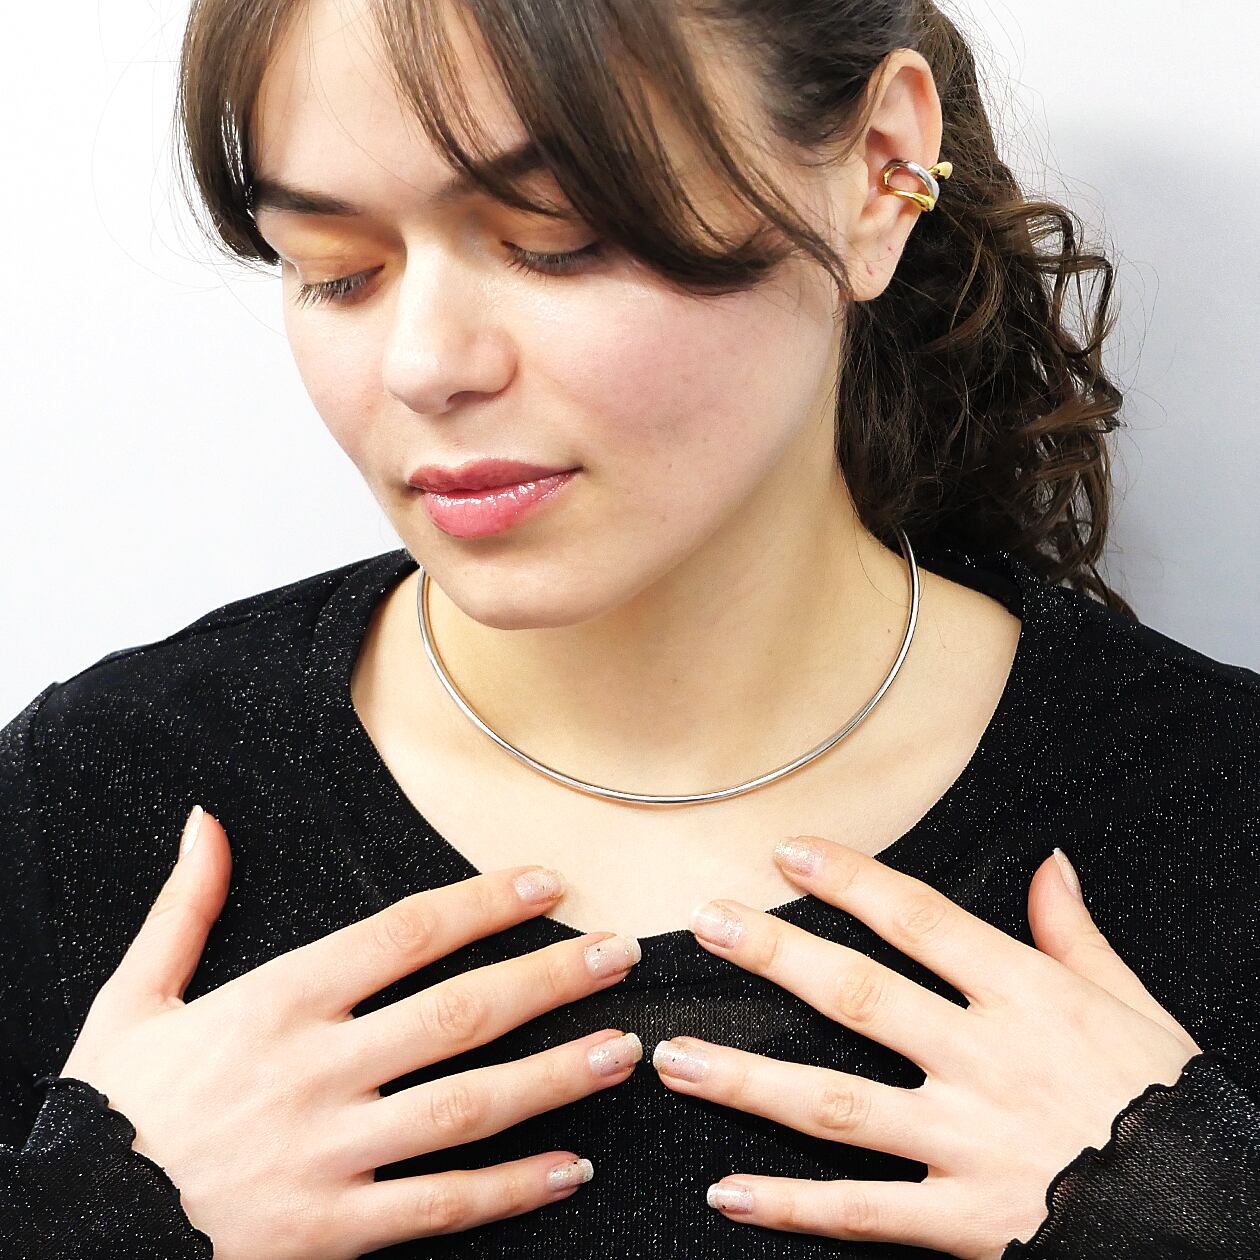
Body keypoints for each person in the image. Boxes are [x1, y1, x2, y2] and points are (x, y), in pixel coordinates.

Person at [2, 0, 1257, 1256]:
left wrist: (1181, 1217)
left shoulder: (1215, 803)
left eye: (555, 240)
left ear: (880, 172)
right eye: (334, 266)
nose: (424, 366)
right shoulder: (98, 795)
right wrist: (99, 1220)